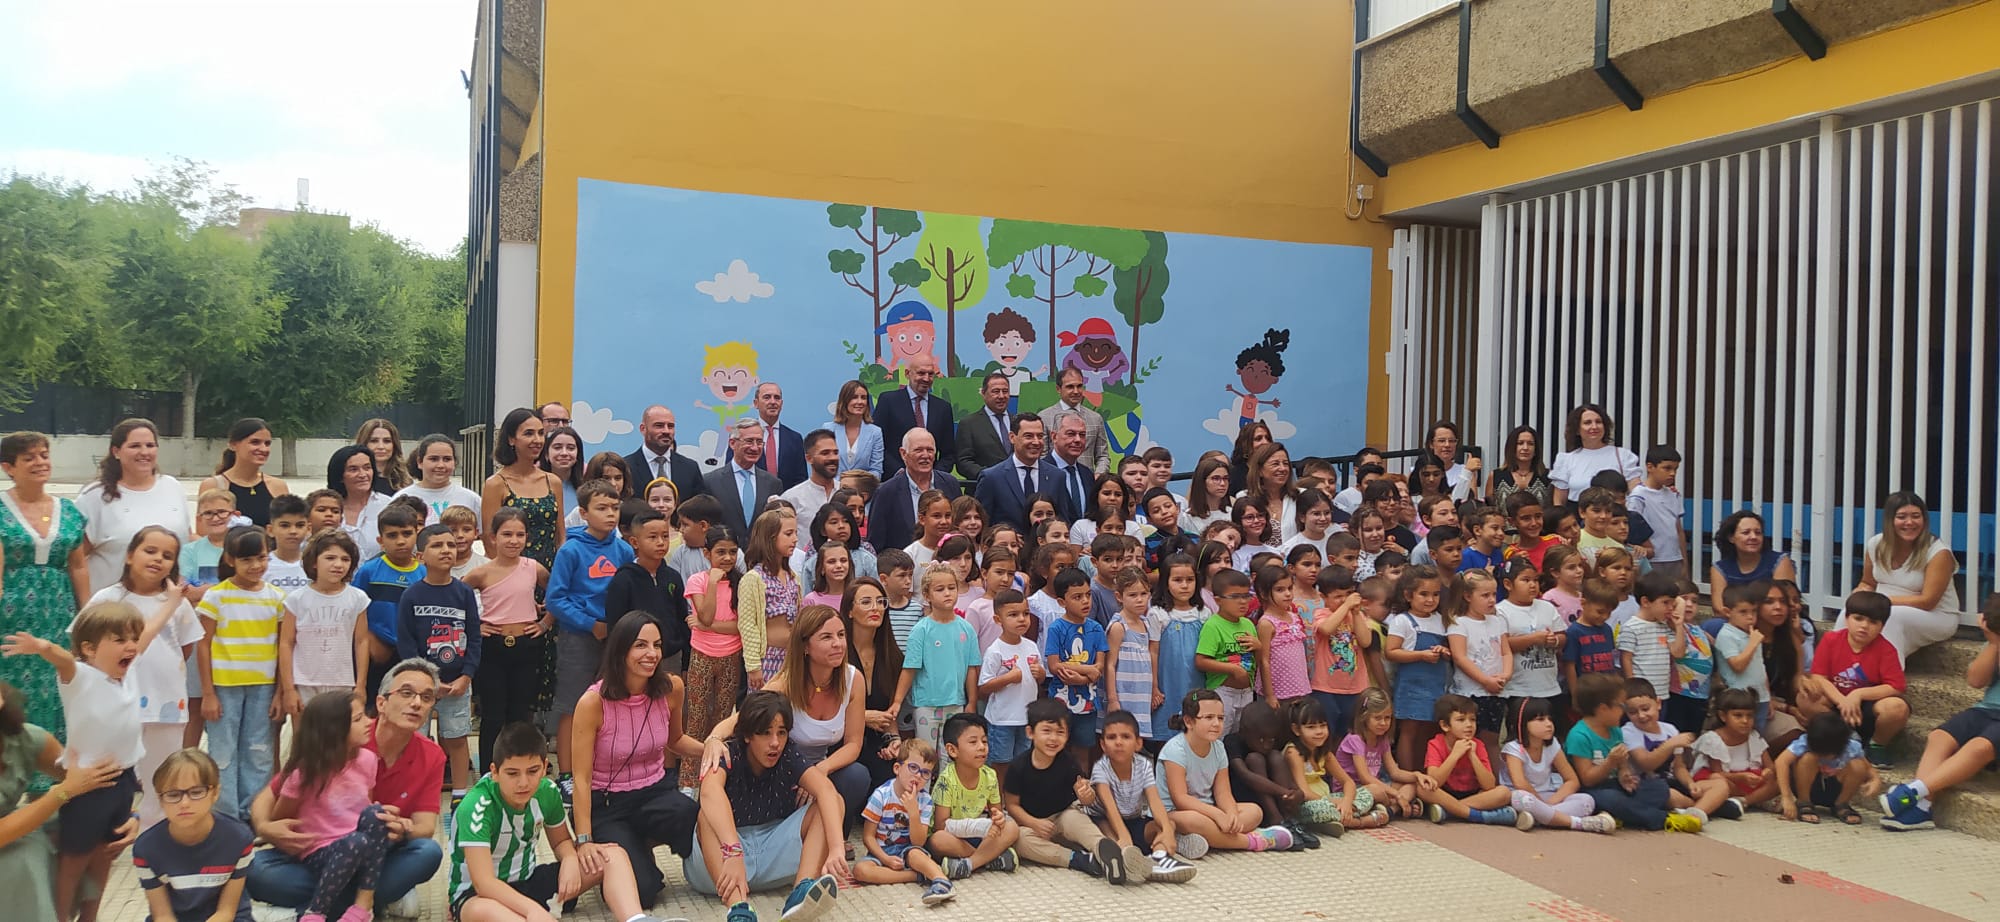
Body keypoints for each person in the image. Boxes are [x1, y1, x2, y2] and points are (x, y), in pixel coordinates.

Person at [4, 598, 176, 921]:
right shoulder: (79, 677)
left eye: (131, 639)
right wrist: (41, 645)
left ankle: (91, 917)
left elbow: (149, 631)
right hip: (86, 786)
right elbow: (62, 659)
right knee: (73, 862)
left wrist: (173, 602)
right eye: (119, 639)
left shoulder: (130, 670)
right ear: (90, 649)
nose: (130, 647)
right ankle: (59, 917)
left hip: (122, 780)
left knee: (105, 855)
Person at [247, 659, 446, 918]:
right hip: (321, 852)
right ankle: (374, 899)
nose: (417, 703)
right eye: (407, 693)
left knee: (427, 853)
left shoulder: (432, 755)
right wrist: (265, 827)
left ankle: (320, 905)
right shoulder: (346, 738)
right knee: (257, 869)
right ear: (382, 703)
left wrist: (403, 828)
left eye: (427, 697)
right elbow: (270, 795)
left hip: (376, 854)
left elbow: (425, 827)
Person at [448, 721, 677, 922]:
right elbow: (484, 883)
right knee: (482, 911)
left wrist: (569, 859)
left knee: (613, 855)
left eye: (533, 770)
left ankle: (635, 919)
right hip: (479, 895)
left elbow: (560, 842)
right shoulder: (476, 806)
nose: (523, 782)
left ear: (545, 767)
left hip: (527, 881)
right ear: (495, 772)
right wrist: (531, 911)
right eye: (512, 773)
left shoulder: (547, 790)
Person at [569, 612, 704, 908]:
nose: (652, 653)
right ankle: (622, 851)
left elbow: (675, 740)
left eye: (657, 645)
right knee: (644, 893)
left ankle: (633, 845)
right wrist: (584, 839)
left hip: (653, 792)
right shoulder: (593, 702)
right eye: (641, 645)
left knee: (690, 813)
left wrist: (712, 750)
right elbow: (580, 777)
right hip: (607, 803)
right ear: (621, 649)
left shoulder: (671, 689)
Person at [686, 690, 847, 922]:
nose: (775, 743)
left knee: (833, 801)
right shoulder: (729, 751)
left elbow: (826, 791)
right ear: (748, 735)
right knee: (706, 816)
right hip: (723, 863)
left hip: (772, 850)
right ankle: (739, 909)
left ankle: (800, 893)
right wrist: (732, 850)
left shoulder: (788, 752)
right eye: (765, 733)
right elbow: (709, 792)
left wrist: (836, 849)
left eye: (781, 733)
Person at [85, 526, 205, 827]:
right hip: (117, 708)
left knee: (163, 780)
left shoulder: (178, 603)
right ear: (129, 555)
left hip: (167, 704)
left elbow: (186, 648)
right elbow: (85, 645)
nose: (158, 559)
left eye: (167, 555)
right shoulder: (107, 598)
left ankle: (155, 841)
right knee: (115, 777)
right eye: (149, 551)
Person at [266, 692, 393, 922]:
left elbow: (366, 805)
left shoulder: (368, 759)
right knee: (356, 842)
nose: (369, 722)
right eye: (358, 719)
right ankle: (316, 912)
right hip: (321, 850)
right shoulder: (304, 773)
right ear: (334, 730)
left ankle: (363, 906)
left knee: (377, 814)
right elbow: (280, 820)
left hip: (362, 847)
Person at [1880, 593, 2000, 830]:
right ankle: (1922, 807)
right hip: (1986, 710)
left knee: (1979, 747)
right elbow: (1976, 681)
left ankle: (1914, 791)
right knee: (1939, 737)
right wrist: (1994, 643)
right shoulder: (1994, 643)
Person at [0, 431, 91, 744]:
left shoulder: (68, 510)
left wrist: (85, 614)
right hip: (10, 614)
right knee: (12, 687)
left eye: (44, 455)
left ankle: (50, 773)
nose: (40, 462)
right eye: (29, 458)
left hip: (57, 611)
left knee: (55, 683)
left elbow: (78, 565)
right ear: (8, 467)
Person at [548, 480, 635, 791]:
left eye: (614, 508)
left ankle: (600, 768)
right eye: (601, 508)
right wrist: (590, 624)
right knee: (572, 705)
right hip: (578, 638)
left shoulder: (624, 550)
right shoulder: (571, 550)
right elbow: (555, 599)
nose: (610, 514)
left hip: (614, 640)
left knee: (609, 703)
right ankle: (566, 776)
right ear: (583, 513)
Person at [196, 527, 286, 819]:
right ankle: (226, 816)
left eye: (261, 557)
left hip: (263, 687)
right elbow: (204, 645)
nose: (256, 566)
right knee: (223, 753)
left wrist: (280, 691)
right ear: (230, 559)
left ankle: (254, 814)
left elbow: (283, 647)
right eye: (246, 559)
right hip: (224, 687)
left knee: (259, 752)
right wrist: (208, 693)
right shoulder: (215, 597)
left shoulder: (277, 598)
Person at [396, 525, 483, 803]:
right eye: (437, 545)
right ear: (420, 555)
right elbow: (406, 643)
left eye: (450, 544)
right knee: (416, 741)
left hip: (457, 684)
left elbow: (474, 637)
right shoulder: (412, 595)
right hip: (421, 686)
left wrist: (466, 676)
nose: (446, 550)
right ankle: (417, 793)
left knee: (457, 739)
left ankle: (459, 793)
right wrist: (425, 680)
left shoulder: (464, 592)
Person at [1158, 690, 1294, 853]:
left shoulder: (1219, 748)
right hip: (1176, 813)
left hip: (1210, 810)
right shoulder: (1175, 750)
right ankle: (1253, 841)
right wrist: (1217, 815)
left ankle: (1199, 838)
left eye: (1220, 718)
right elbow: (1181, 799)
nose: (1216, 723)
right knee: (1194, 820)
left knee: (1255, 811)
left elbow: (1223, 793)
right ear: (1189, 721)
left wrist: (1230, 814)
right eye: (1208, 718)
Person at [1002, 698, 1122, 878]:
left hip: (1063, 816)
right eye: (1046, 731)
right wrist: (1034, 823)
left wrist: (1087, 795)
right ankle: (1077, 859)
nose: (1053, 738)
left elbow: (1085, 798)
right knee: (1019, 839)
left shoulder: (1068, 762)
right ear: (1030, 732)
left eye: (1060, 732)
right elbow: (1012, 805)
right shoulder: (1018, 766)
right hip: (1032, 823)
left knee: (1076, 819)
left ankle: (1104, 851)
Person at [134, 749, 255, 922]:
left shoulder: (239, 838)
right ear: (160, 800)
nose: (184, 803)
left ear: (215, 793)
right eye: (173, 795)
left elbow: (226, 912)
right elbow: (162, 915)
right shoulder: (146, 848)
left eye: (196, 792)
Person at [75, 419, 190, 596]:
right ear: (116, 451)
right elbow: (76, 560)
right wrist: (84, 609)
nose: (144, 452)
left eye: (150, 445)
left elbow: (187, 538)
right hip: (113, 612)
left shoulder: (172, 486)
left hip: (166, 606)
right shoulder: (95, 496)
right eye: (135, 446)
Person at [1849, 491, 1961, 663]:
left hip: (1935, 614)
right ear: (1889, 520)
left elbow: (1928, 601)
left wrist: (1881, 602)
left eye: (1916, 516)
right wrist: (1860, 593)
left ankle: (1887, 678)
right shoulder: (1875, 544)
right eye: (1901, 517)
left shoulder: (1938, 552)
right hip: (1884, 606)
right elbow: (1867, 582)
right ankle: (1841, 669)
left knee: (1890, 617)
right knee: (1848, 614)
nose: (1909, 522)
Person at [1089, 710, 1201, 878]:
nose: (1119, 742)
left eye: (1126, 737)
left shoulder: (1144, 765)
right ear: (1103, 745)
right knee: (1112, 840)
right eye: (1112, 738)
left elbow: (1154, 801)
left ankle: (1158, 859)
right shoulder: (1100, 769)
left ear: (1138, 743)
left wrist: (1167, 831)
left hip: (1133, 819)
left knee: (1167, 824)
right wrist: (1125, 838)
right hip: (1105, 819)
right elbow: (1109, 807)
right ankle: (1125, 860)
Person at [1809, 591, 1909, 769]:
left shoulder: (1886, 649)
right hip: (1835, 704)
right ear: (1847, 618)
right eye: (1858, 618)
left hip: (1868, 708)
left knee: (1897, 707)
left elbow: (1896, 686)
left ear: (1882, 626)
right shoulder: (1831, 640)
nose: (1864, 626)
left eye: (1873, 622)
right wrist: (1842, 701)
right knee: (1807, 697)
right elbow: (1819, 677)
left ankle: (1877, 744)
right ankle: (1842, 736)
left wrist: (1858, 694)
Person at [277, 528, 368, 722]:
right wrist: (289, 688)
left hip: (342, 682)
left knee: (337, 739)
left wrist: (360, 685)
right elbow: (286, 643)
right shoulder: (297, 599)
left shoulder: (357, 598)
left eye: (345, 559)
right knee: (304, 739)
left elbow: (361, 642)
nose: (338, 565)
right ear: (313, 562)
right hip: (304, 682)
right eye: (330, 558)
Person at [852, 738, 956, 904]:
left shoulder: (925, 800)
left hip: (909, 850)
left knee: (916, 854)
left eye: (925, 773)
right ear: (897, 768)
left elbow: (919, 841)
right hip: (881, 851)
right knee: (860, 871)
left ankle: (942, 881)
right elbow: (868, 837)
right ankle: (917, 875)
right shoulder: (881, 795)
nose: (918, 776)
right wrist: (885, 859)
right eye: (913, 768)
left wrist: (913, 812)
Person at [681, 526, 745, 789]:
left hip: (731, 656)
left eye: (732, 552)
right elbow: (706, 614)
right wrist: (713, 583)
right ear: (707, 553)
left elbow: (740, 626)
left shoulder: (743, 581)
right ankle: (688, 782)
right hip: (702, 655)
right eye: (721, 552)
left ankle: (716, 778)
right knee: (695, 718)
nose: (728, 558)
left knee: (722, 719)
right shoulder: (697, 580)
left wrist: (707, 625)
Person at [893, 566, 980, 753]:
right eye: (940, 589)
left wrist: (972, 701)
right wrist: (897, 701)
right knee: (926, 755)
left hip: (955, 704)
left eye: (951, 587)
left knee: (950, 756)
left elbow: (971, 668)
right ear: (927, 594)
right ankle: (923, 784)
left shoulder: (967, 629)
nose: (947, 593)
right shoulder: (921, 630)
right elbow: (910, 668)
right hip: (926, 704)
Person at [1499, 698, 1611, 833]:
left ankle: (1540, 818)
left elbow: (1572, 780)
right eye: (1540, 720)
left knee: (1586, 800)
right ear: (1522, 723)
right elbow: (1520, 783)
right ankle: (1578, 823)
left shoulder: (1552, 745)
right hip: (1524, 797)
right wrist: (1540, 803)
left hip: (1547, 796)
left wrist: (1551, 803)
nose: (1549, 724)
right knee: (1523, 799)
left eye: (1549, 719)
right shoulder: (1513, 748)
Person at [352, 505, 424, 712]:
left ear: (416, 533)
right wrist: (369, 639)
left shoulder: (424, 573)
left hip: (411, 652)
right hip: (375, 653)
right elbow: (355, 611)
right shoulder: (369, 571)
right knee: (372, 709)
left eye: (407, 533)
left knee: (404, 708)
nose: (401, 541)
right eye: (392, 535)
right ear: (380, 540)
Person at [1776, 712, 1882, 825]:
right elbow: (1781, 762)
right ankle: (1804, 802)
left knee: (1858, 765)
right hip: (1809, 786)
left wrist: (1876, 780)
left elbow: (1868, 768)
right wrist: (1787, 797)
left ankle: (1841, 804)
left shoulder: (1851, 747)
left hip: (1835, 788)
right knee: (1807, 758)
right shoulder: (1804, 742)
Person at [869, 430, 964, 554]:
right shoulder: (886, 492)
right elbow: (876, 543)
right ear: (903, 454)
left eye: (930, 450)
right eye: (918, 450)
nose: (925, 455)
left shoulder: (950, 484)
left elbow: (959, 528)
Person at [737, 509, 803, 687]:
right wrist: (753, 666)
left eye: (796, 533)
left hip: (792, 657)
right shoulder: (753, 579)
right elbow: (747, 624)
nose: (795, 539)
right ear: (770, 537)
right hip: (767, 660)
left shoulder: (793, 577)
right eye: (788, 534)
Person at [1689, 687, 1781, 814]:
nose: (1745, 721)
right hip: (1727, 780)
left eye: (1749, 716)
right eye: (1738, 715)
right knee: (1718, 780)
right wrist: (1739, 777)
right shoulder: (1713, 740)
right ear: (1723, 716)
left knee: (1777, 782)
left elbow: (1770, 766)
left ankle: (1743, 801)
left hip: (1748, 781)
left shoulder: (1754, 737)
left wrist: (1767, 772)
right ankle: (1749, 800)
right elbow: (1718, 772)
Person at [975, 414, 1067, 532]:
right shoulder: (991, 478)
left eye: (1040, 436)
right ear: (1012, 437)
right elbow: (983, 524)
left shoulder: (1057, 476)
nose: (1036, 442)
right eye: (1028, 436)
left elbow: (1063, 520)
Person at [877, 353, 957, 479]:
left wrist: (933, 475)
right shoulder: (888, 401)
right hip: (895, 481)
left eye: (930, 374)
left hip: (931, 486)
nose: (926, 378)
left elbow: (949, 453)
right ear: (907, 374)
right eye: (921, 373)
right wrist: (900, 473)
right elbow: (878, 445)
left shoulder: (943, 408)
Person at [703, 418, 784, 539]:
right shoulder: (710, 482)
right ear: (732, 443)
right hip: (725, 554)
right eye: (749, 441)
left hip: (761, 555)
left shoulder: (773, 483)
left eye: (759, 442)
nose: (755, 448)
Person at [1547, 405, 1641, 507]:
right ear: (1577, 430)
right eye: (1588, 423)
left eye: (1598, 422)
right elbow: (1559, 502)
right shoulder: (1566, 460)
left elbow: (1636, 492)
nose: (1594, 426)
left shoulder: (1623, 456)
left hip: (1614, 517)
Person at [204, 419, 291, 527]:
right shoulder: (214, 485)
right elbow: (204, 533)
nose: (263, 449)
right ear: (233, 445)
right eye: (255, 442)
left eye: (267, 443)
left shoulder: (278, 486)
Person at [1707, 510, 1797, 612]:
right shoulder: (1720, 569)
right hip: (1733, 622)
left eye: (1758, 533)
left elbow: (1783, 603)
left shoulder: (1780, 561)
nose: (1753, 537)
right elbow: (1719, 608)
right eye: (1746, 533)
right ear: (1731, 538)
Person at [394, 434, 483, 527]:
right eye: (434, 459)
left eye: (447, 459)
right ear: (420, 462)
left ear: (455, 463)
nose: (441, 465)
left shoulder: (471, 499)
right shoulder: (402, 498)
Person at [627, 405, 709, 505]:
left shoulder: (690, 468)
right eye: (659, 425)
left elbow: (700, 508)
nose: (666, 431)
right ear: (643, 429)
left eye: (670, 426)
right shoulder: (626, 467)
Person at [1037, 369, 1110, 475]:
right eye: (1070, 387)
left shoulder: (1095, 418)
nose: (1076, 391)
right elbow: (1041, 456)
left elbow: (1103, 456)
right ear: (1058, 389)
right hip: (1054, 484)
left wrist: (1098, 475)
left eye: (1079, 386)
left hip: (1087, 485)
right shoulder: (1044, 417)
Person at [326, 446, 392, 561]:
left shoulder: (388, 506)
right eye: (353, 469)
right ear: (340, 475)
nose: (362, 475)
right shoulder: (326, 507)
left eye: (367, 468)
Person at [955, 373, 1012, 482]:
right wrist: (989, 475)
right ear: (983, 393)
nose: (1001, 396)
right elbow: (963, 462)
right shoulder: (969, 423)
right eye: (995, 391)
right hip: (984, 489)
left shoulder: (1017, 421)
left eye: (1005, 391)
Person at [823, 380, 886, 479]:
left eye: (863, 398)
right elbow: (825, 465)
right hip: (834, 490)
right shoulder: (828, 429)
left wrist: (857, 485)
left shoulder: (875, 432)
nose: (860, 402)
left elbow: (876, 470)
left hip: (863, 491)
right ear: (844, 401)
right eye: (854, 397)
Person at [780, 430, 842, 527]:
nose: (833, 458)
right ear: (809, 458)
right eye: (825, 453)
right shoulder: (792, 498)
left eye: (835, 452)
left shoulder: (846, 492)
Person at [751, 382, 808, 489]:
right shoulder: (743, 436)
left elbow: (801, 478)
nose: (772, 402)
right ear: (756, 403)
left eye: (777, 398)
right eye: (767, 397)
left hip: (786, 502)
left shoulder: (794, 438)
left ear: (781, 403)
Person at [1486, 425, 1553, 511]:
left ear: (1536, 449)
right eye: (1520, 443)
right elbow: (1489, 511)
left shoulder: (1548, 476)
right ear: (1512, 447)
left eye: (1530, 444)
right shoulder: (1496, 476)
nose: (1525, 448)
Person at [541, 427, 586, 515]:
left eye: (571, 448)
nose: (564, 453)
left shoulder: (586, 491)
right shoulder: (533, 487)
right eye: (557, 447)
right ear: (546, 454)